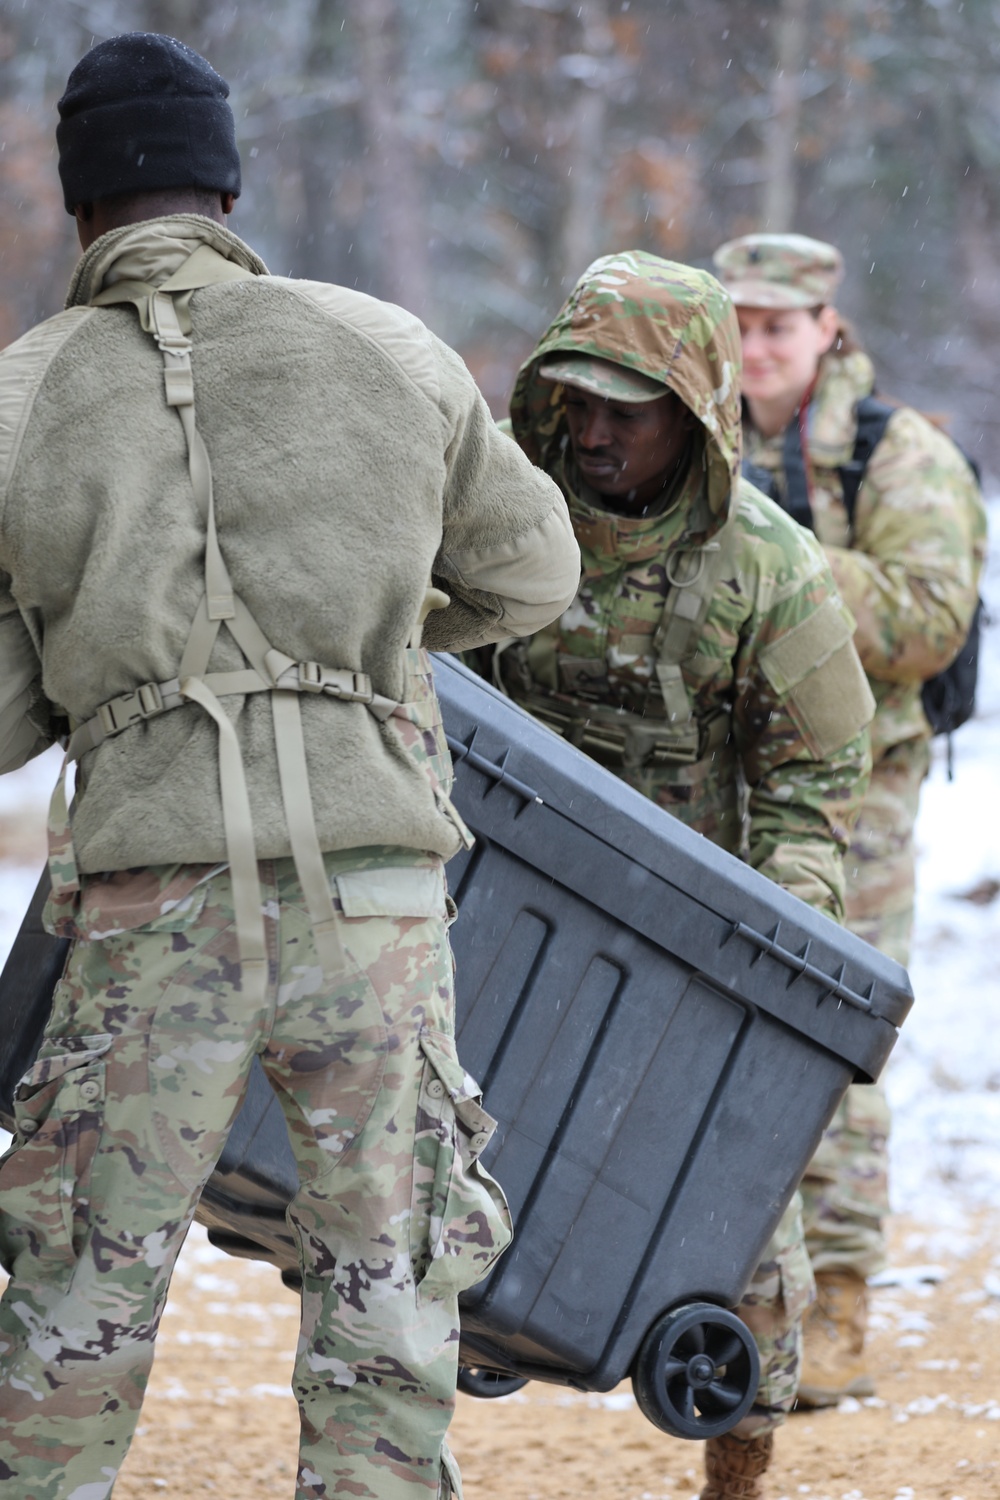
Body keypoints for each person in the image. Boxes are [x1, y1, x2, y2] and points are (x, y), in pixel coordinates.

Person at [0, 32, 581, 1500]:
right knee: (384, 1292)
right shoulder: (386, 348)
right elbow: (534, 577)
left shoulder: (20, 401)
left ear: (81, 202)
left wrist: (115, 679)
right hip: (375, 911)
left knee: (81, 1294)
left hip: (148, 913)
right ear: (230, 183)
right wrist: (366, 642)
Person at [465, 249, 875, 1500]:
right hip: (508, 919)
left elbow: (813, 785)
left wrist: (774, 964)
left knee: (739, 1251)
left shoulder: (769, 568)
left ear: (691, 413)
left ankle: (735, 1479)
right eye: (574, 404)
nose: (591, 434)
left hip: (698, 947)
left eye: (624, 412)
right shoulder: (496, 516)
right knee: (415, 1211)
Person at [711, 232, 987, 1408]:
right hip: (715, 786)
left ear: (828, 328)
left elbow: (932, 617)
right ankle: (724, 1289)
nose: (758, 347)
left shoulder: (897, 453)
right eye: (741, 324)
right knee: (710, 1042)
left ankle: (841, 1306)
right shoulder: (691, 437)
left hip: (855, 794)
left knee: (836, 1045)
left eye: (780, 326)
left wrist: (779, 565)